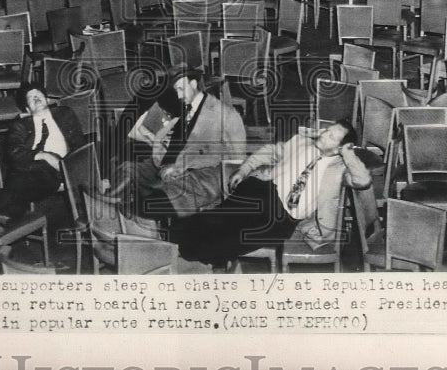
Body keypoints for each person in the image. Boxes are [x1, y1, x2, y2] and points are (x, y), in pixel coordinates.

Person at [174, 121, 371, 269]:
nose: (324, 134)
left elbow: (363, 181)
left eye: (331, 136)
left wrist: (348, 154)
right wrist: (244, 169)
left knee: (235, 238)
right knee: (220, 217)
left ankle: (189, 249)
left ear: (340, 148)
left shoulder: (340, 169)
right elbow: (270, 152)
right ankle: (174, 234)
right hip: (264, 190)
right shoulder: (302, 143)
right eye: (327, 130)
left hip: (283, 218)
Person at [128, 69, 245, 220]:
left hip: (205, 177)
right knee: (129, 172)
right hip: (173, 169)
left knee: (149, 205)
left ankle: (135, 220)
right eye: (176, 90)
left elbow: (235, 161)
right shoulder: (186, 109)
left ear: (194, 84)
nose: (179, 95)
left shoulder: (226, 115)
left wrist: (181, 166)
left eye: (181, 89)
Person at [0, 84, 85, 223]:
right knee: (22, 181)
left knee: (19, 182)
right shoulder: (21, 125)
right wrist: (44, 155)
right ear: (28, 109)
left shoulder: (65, 114)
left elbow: (79, 143)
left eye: (38, 95)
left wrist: (67, 166)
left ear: (47, 99)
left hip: (57, 168)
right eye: (31, 98)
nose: (36, 99)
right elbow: (14, 152)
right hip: (31, 167)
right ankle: (2, 218)